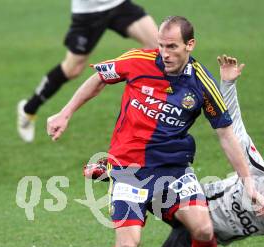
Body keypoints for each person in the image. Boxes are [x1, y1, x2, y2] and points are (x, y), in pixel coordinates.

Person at [46, 17, 264, 247]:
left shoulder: (201, 84)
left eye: (172, 47)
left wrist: (248, 181)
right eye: (162, 46)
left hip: (174, 170)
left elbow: (224, 133)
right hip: (128, 170)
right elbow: (98, 78)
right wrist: (65, 113)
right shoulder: (138, 61)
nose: (164, 53)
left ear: (190, 46)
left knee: (204, 228)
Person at [74, 55, 264, 247]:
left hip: (203, 235)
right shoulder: (257, 169)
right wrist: (228, 84)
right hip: (190, 203)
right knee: (150, 186)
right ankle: (116, 171)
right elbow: (234, 126)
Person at [17, 0, 159, 142]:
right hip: (88, 12)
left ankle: (159, 112)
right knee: (72, 69)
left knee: (159, 47)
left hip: (118, 4)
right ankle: (28, 110)